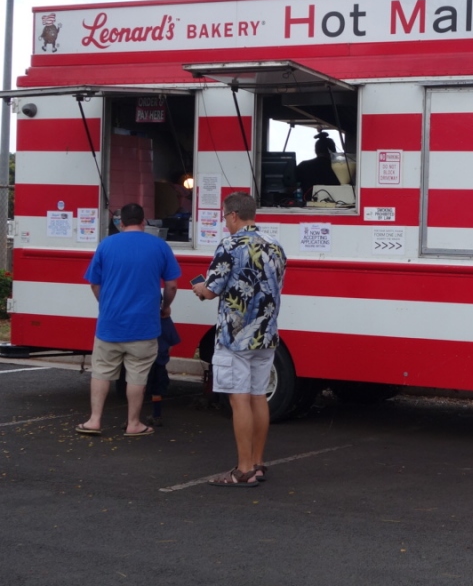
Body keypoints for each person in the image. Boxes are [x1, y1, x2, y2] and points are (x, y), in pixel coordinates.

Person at [192, 192, 287, 487]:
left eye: (225, 217)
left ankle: (243, 470)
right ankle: (257, 463)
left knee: (239, 399)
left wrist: (199, 288)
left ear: (234, 215)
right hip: (266, 334)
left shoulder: (230, 245)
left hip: (235, 337)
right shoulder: (275, 245)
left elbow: (212, 290)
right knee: (258, 396)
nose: (225, 222)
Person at [78, 203, 181, 436]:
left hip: (110, 324)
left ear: (121, 223)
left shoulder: (106, 245)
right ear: (144, 222)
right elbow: (172, 285)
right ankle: (134, 423)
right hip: (144, 325)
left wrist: (105, 305)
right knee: (138, 375)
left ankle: (94, 420)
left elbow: (94, 283)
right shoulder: (159, 246)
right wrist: (165, 307)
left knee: (101, 372)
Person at [296, 131, 341, 202]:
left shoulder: (303, 165)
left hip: (306, 204)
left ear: (316, 150)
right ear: (333, 150)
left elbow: (292, 185)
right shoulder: (340, 168)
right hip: (336, 203)